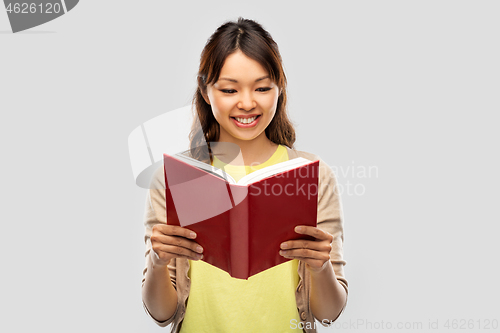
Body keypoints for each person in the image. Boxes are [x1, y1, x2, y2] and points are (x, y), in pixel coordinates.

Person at [141, 17, 348, 333]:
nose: (248, 103)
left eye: (263, 88)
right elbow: (162, 314)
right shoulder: (175, 178)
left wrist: (321, 269)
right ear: (206, 91)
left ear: (279, 88)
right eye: (229, 89)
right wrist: (157, 262)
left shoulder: (314, 176)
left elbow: (329, 315)